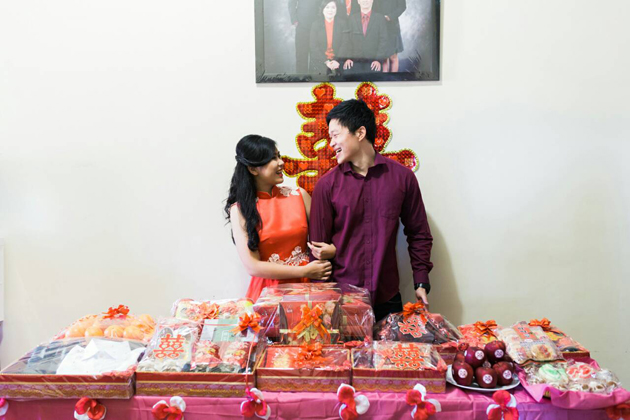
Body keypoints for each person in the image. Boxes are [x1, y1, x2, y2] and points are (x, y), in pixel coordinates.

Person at [309, 100, 433, 321]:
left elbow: (419, 233)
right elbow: (317, 252)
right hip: (341, 301)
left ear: (360, 133)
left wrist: (421, 281)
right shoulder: (326, 186)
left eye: (335, 135)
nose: (331, 143)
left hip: (388, 297)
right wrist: (322, 305)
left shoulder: (402, 178)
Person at [225, 135, 335, 302]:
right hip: (269, 292)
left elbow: (328, 236)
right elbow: (252, 266)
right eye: (272, 159)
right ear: (253, 169)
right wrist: (305, 271)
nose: (281, 162)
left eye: (278, 156)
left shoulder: (299, 195)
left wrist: (332, 250)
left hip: (308, 285)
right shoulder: (240, 209)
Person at [342, 0, 388, 73]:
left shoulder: (380, 18)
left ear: (372, 1)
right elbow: (348, 40)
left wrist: (378, 60)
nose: (365, 1)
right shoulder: (352, 19)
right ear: (358, 1)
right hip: (355, 60)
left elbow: (384, 41)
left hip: (373, 61)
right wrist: (348, 58)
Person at [309, 1, 349, 75]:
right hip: (320, 62)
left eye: (333, 7)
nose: (330, 10)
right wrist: (327, 62)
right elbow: (313, 47)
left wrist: (337, 61)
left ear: (336, 9)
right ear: (322, 9)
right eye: (327, 7)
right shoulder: (315, 25)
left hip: (338, 61)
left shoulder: (343, 24)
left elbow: (345, 44)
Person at [288, 0, 321, 73]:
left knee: (316, 56)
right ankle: (301, 78)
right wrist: (294, 20)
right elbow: (291, 2)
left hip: (317, 25)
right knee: (301, 56)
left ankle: (314, 78)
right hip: (301, 25)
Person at [374, 0, 406, 72]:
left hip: (392, 26)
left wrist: (390, 17)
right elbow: (373, 6)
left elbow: (402, 7)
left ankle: (393, 78)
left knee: (393, 57)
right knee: (383, 57)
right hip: (379, 25)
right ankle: (385, 78)